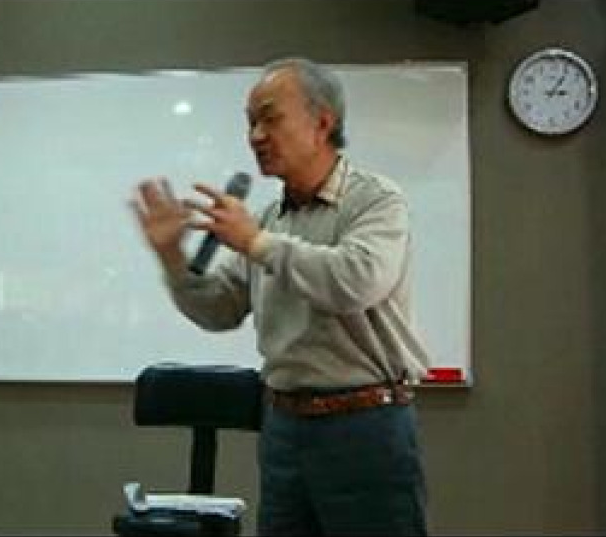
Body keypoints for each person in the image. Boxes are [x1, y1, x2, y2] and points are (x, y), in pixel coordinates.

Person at [131, 57, 431, 536]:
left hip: (365, 425)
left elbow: (355, 281)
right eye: (250, 123)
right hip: (284, 428)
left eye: (269, 119)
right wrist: (171, 257)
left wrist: (255, 243)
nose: (255, 136)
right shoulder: (270, 219)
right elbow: (220, 308)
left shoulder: (375, 200)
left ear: (322, 123)